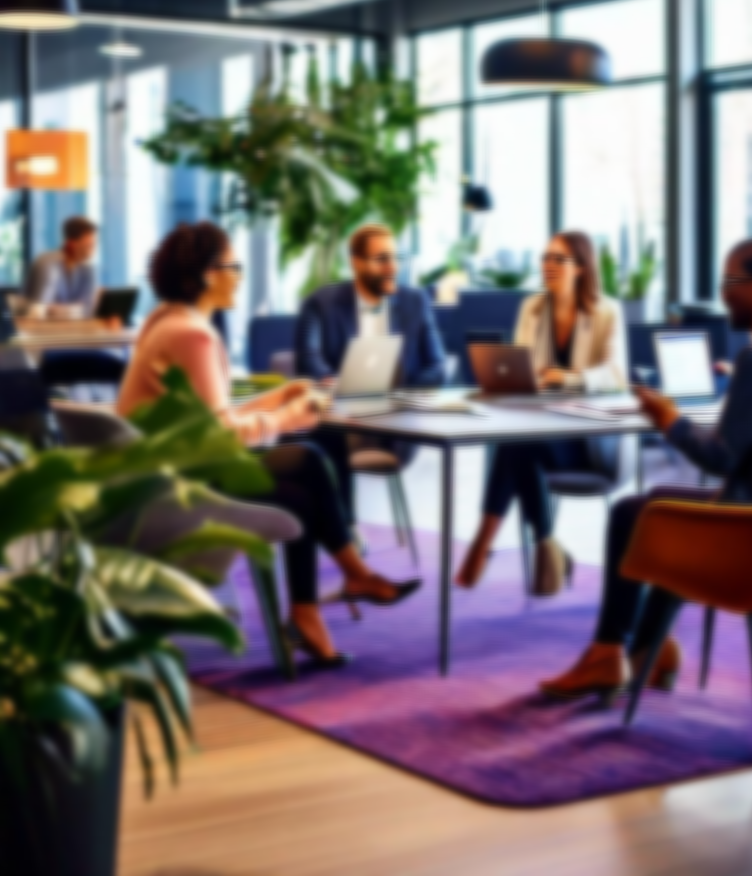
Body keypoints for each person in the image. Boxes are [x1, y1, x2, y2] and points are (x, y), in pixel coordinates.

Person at [540, 235, 752, 700]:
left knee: (631, 515)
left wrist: (668, 419)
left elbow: (720, 459)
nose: (722, 293)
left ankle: (608, 655)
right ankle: (646, 652)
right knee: (657, 513)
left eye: (729, 281)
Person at [117, 222, 421, 666]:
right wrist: (289, 417)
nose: (240, 274)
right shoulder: (194, 335)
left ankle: (320, 602)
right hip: (174, 487)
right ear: (205, 274)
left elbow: (210, 415)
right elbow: (221, 436)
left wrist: (281, 394)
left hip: (153, 475)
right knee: (306, 469)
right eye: (233, 265)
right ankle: (343, 583)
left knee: (304, 474)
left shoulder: (167, 321)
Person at [455, 231, 628, 597]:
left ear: (581, 267)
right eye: (545, 258)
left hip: (589, 436)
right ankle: (547, 547)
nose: (548, 266)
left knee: (518, 445)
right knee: (520, 444)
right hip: (540, 425)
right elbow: (519, 366)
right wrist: (519, 379)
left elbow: (616, 375)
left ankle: (485, 542)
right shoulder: (531, 309)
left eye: (558, 259)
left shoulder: (607, 311)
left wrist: (566, 377)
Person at [295, 223, 447, 531]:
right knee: (328, 433)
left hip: (396, 425)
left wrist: (398, 397)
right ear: (356, 263)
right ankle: (347, 530)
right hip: (342, 419)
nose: (393, 267)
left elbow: (438, 366)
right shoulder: (321, 303)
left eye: (395, 258)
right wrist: (330, 380)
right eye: (382, 259)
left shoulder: (415, 302)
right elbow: (307, 358)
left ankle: (344, 538)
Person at [26, 216, 99, 312]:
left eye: (94, 245)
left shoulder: (87, 270)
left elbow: (87, 310)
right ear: (72, 244)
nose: (93, 250)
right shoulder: (47, 265)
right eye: (89, 245)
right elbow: (39, 309)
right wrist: (74, 309)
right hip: (38, 325)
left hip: (72, 326)